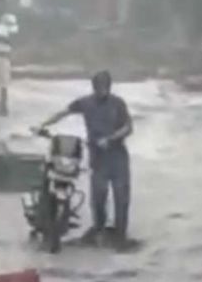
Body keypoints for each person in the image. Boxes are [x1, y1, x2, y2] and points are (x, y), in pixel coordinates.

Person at [37, 71, 134, 249]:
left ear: (109, 87)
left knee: (121, 197)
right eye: (98, 88)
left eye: (104, 87)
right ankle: (99, 230)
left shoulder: (117, 104)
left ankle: (121, 234)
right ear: (94, 87)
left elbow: (128, 127)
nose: (101, 91)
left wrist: (111, 138)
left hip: (117, 156)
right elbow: (64, 112)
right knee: (98, 196)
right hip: (98, 157)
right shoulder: (86, 103)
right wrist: (44, 124)